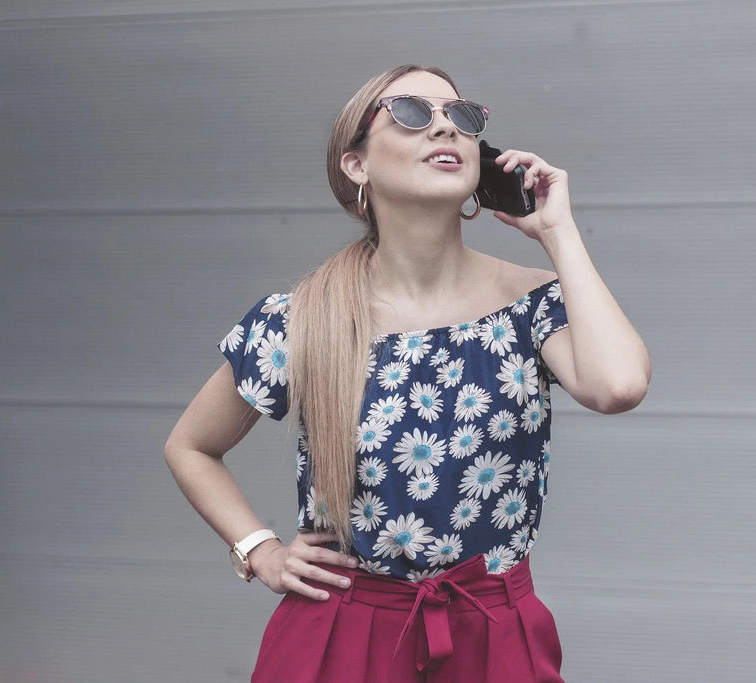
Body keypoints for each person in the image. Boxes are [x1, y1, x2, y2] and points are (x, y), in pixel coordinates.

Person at [165, 64, 651, 682]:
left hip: (493, 632)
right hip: (339, 632)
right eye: (413, 114)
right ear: (357, 165)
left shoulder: (531, 303)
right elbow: (191, 446)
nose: (445, 126)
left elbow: (619, 386)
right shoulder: (304, 317)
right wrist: (257, 550)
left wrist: (557, 233)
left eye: (463, 117)